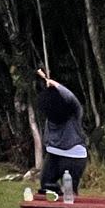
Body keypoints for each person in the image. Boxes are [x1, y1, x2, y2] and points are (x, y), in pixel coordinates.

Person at [35, 68, 87, 198]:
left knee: (69, 192)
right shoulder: (51, 116)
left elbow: (72, 98)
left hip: (74, 155)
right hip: (54, 154)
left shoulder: (74, 115)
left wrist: (56, 85)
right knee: (46, 185)